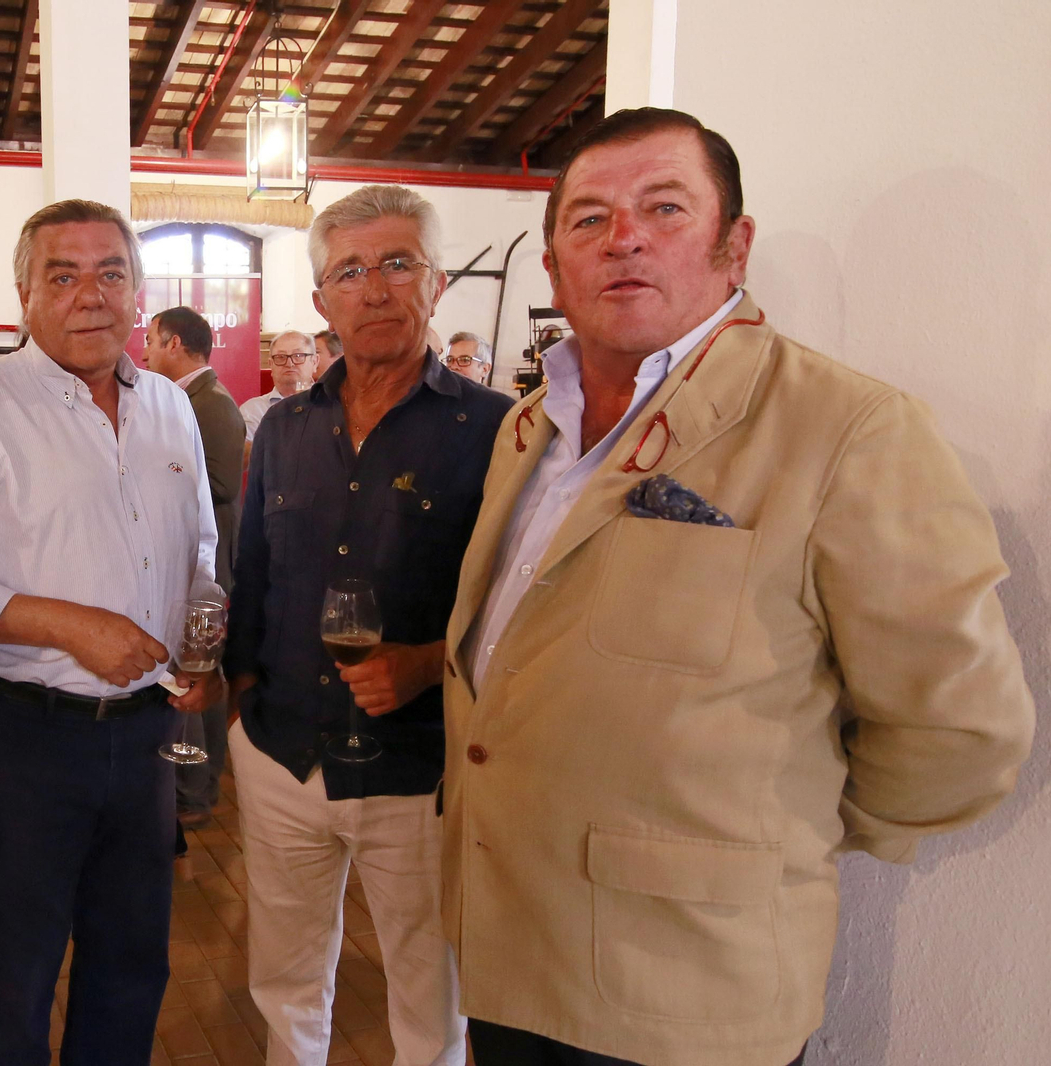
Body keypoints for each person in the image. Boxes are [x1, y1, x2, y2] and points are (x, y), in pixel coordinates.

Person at [443, 107, 1034, 1066]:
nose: (623, 235)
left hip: (684, 993)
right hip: (510, 959)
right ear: (554, 268)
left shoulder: (849, 432)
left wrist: (775, 832)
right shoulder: (528, 432)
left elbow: (962, 730)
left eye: (664, 207)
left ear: (734, 247)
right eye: (587, 219)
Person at [0, 198, 223, 1065]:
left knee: (131, 965)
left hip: (149, 734)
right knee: (14, 973)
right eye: (62, 274)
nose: (90, 295)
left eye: (110, 272)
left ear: (139, 294)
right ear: (24, 295)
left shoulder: (169, 408)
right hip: (23, 737)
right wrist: (67, 624)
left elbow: (199, 549)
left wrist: (202, 641)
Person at [224, 184, 515, 1066]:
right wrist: (240, 707)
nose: (376, 287)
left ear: (435, 284)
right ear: (321, 302)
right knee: (284, 986)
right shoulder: (281, 430)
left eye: (398, 263)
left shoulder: (498, 431)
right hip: (283, 755)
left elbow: (521, 607)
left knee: (431, 1004)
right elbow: (254, 575)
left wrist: (429, 663)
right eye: (349, 270)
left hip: (415, 769)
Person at [141, 304, 246, 826]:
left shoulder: (214, 404)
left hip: (207, 564)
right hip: (184, 560)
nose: (146, 351)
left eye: (154, 341)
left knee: (199, 671)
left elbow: (223, 485)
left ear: (176, 344)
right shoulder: (186, 400)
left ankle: (198, 792)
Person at [240, 328, 316, 443]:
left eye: (298, 355)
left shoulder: (331, 406)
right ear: (271, 364)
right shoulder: (253, 411)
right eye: (281, 357)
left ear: (315, 362)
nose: (290, 364)